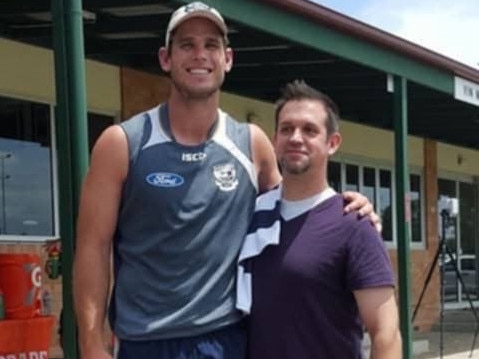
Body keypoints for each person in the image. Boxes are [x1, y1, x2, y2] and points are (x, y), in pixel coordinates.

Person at [73, 3, 378, 359]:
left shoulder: (251, 143)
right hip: (144, 342)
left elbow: (295, 209)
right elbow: (92, 246)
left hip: (226, 341)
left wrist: (347, 208)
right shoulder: (122, 143)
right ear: (165, 58)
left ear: (228, 58)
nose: (200, 54)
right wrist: (91, 342)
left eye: (211, 45)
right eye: (186, 44)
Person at [239, 80, 402, 359]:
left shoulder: (353, 223)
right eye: (287, 129)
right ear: (275, 139)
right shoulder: (251, 214)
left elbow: (386, 333)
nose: (296, 138)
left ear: (332, 143)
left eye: (310, 130)